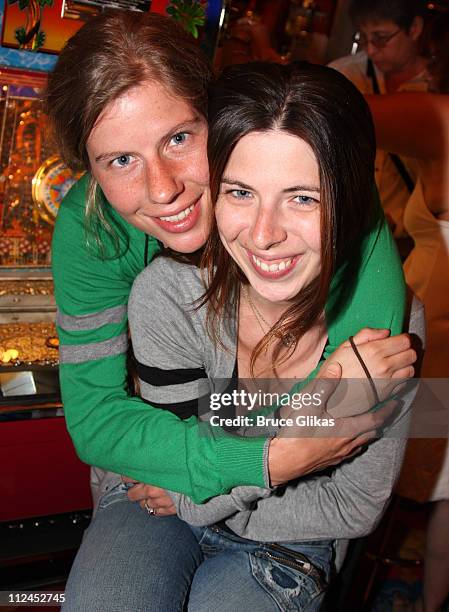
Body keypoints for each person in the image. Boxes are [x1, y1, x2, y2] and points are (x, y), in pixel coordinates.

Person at [48, 11, 410, 611]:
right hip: (152, 485)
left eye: (179, 138)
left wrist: (278, 451)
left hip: (277, 522)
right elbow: (95, 421)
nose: (163, 189)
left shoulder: (325, 200)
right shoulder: (118, 257)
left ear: (217, 115)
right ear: (88, 169)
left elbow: (361, 420)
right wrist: (274, 455)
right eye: (119, 160)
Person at [366, 12, 449, 611]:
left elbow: (324, 106)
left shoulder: (440, 115)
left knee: (372, 479)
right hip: (427, 340)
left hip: (434, 352)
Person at [329, 0, 430, 239]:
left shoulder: (436, 88)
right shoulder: (344, 75)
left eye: (381, 38)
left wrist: (402, 222)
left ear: (414, 29)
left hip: (408, 240)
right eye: (364, 38)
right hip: (342, 233)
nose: (371, 50)